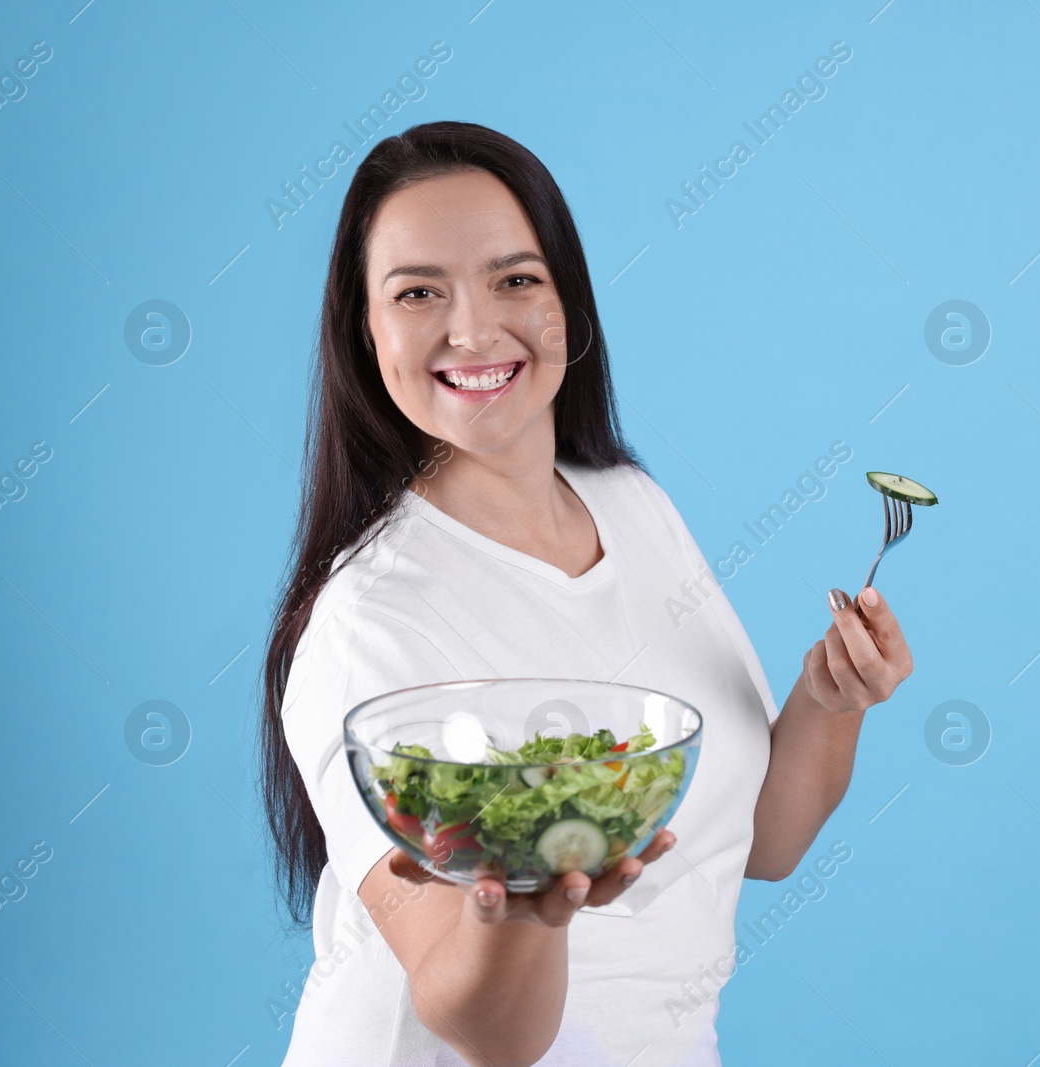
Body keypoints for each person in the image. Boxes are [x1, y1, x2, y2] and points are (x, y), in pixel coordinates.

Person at [257, 121, 913, 1067]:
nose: (475, 329)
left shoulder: (631, 504)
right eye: (417, 293)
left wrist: (829, 699)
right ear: (365, 330)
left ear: (570, 299)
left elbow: (756, 839)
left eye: (515, 278)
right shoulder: (370, 623)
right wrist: (529, 902)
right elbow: (480, 1026)